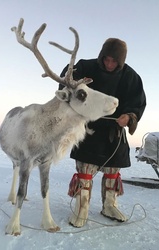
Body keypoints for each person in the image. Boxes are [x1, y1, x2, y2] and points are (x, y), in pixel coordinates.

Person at [59, 38, 146, 228]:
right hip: (88, 129)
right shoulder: (84, 67)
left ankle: (110, 206)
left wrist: (129, 116)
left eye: (114, 61)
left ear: (121, 61)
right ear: (101, 56)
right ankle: (81, 209)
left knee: (113, 172)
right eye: (106, 59)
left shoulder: (130, 77)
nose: (109, 64)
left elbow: (137, 102)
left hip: (114, 132)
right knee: (85, 172)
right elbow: (66, 84)